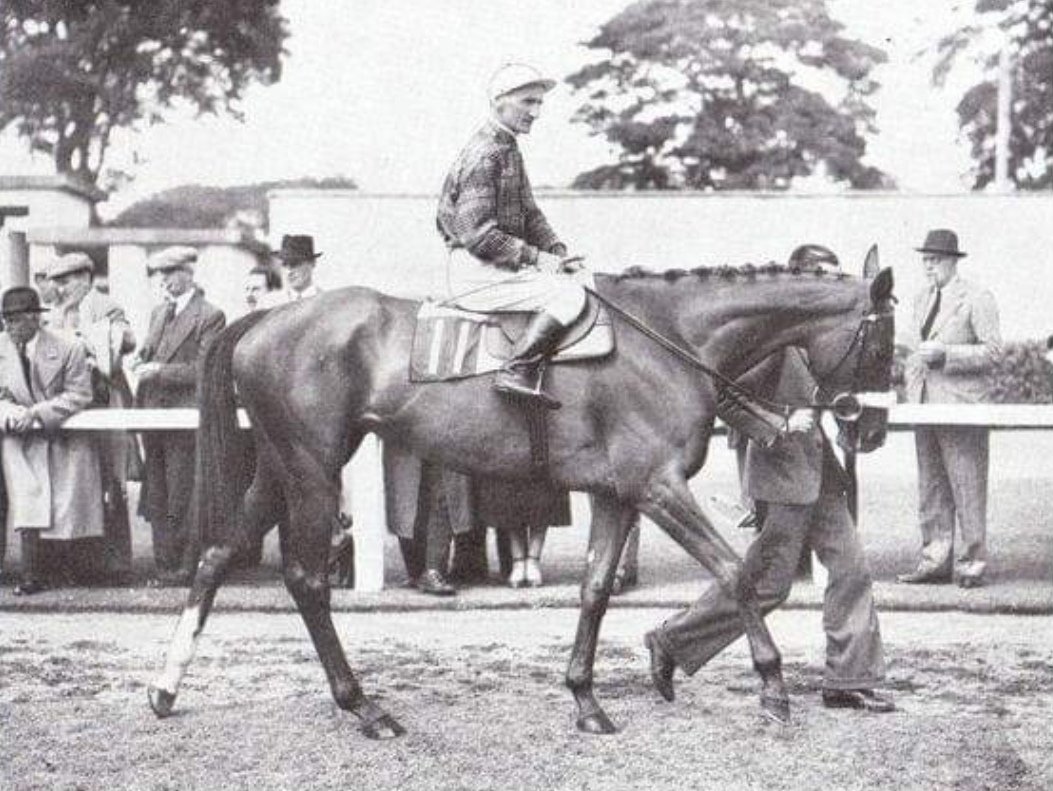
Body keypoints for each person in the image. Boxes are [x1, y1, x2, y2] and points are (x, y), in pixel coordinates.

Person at [643, 245, 895, 715]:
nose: (827, 282)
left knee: (851, 569)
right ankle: (671, 641)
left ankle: (848, 679)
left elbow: (832, 390)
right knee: (768, 584)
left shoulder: (827, 335)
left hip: (821, 473)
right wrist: (775, 427)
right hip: (781, 475)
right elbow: (718, 394)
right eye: (819, 273)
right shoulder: (772, 340)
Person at [436, 62, 590, 409]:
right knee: (569, 296)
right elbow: (478, 234)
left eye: (539, 103)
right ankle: (515, 370)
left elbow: (530, 213)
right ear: (499, 101)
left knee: (579, 279)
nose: (536, 112)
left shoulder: (507, 147)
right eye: (528, 102)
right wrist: (539, 259)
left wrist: (558, 251)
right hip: (477, 271)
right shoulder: (486, 153)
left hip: (495, 265)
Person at [898, 229, 1000, 589]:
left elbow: (993, 352)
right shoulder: (919, 298)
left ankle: (973, 561)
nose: (928, 266)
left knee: (966, 484)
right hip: (923, 404)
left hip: (961, 407)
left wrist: (947, 355)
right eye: (925, 260)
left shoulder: (977, 297)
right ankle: (934, 560)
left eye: (935, 260)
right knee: (931, 486)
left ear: (954, 261)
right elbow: (914, 350)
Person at [131, 246, 226, 585]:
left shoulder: (210, 316)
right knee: (156, 493)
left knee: (182, 494)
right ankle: (164, 566)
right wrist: (139, 360)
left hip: (184, 418)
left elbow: (206, 369)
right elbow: (149, 349)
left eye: (171, 273)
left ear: (189, 274)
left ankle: (184, 568)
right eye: (161, 274)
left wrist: (158, 371)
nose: (165, 281)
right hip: (153, 414)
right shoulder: (159, 313)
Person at [0, 286, 102, 595]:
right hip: (17, 438)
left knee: (61, 509)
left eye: (14, 319)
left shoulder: (68, 347)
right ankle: (30, 575)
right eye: (6, 319)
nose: (8, 326)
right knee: (27, 500)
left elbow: (80, 394)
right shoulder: (1, 347)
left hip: (57, 437)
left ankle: (54, 573)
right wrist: (7, 410)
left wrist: (36, 413)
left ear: (34, 318)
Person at [47, 251, 137, 584]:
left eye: (66, 281)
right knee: (73, 484)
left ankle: (114, 565)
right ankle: (75, 561)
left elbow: (126, 342)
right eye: (56, 282)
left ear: (85, 278)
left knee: (111, 481)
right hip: (69, 404)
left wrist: (96, 343)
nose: (60, 289)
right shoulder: (57, 312)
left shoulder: (104, 305)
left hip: (104, 400)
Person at [266, 235, 323, 304]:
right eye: (285, 264)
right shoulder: (273, 303)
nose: (289, 271)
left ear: (312, 263)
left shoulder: (326, 300)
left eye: (295, 263)